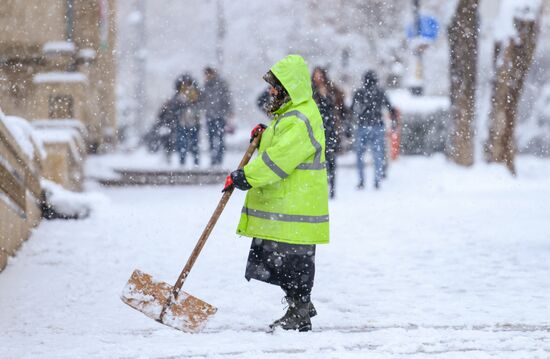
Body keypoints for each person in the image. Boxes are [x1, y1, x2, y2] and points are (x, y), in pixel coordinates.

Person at [223, 55, 329, 332]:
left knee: (293, 262)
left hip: (295, 208)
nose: (271, 91)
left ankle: (299, 309)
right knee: (278, 260)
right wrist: (266, 133)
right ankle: (299, 303)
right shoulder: (292, 115)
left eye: (275, 86)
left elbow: (279, 160)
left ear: (288, 88)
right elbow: (280, 145)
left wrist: (245, 176)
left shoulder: (300, 118)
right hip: (286, 207)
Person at [351, 70, 396, 190]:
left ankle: (361, 181)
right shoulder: (380, 92)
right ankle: (376, 180)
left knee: (360, 155)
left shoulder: (359, 93)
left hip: (363, 126)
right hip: (377, 126)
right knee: (377, 155)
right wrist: (393, 123)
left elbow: (352, 110)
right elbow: (390, 108)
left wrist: (349, 126)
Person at [312, 67, 338, 199]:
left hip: (329, 128)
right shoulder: (311, 91)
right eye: (316, 75)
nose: (318, 78)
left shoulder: (330, 89)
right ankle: (320, 186)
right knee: (318, 160)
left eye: (320, 75)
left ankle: (332, 186)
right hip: (316, 128)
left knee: (331, 159)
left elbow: (337, 104)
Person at [201, 67, 232, 166]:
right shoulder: (205, 86)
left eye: (208, 74)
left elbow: (227, 98)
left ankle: (219, 159)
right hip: (209, 116)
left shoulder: (220, 84)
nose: (206, 76)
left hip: (219, 116)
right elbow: (203, 100)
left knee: (220, 138)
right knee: (211, 138)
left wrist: (229, 111)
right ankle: (213, 159)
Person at [154, 76, 189, 163]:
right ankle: (177, 159)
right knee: (175, 142)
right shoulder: (179, 99)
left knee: (172, 142)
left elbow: (164, 112)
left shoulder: (174, 99)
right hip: (175, 123)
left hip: (172, 123)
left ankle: (174, 158)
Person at [175, 74, 201, 166]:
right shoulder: (179, 95)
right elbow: (176, 107)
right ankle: (183, 162)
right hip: (183, 122)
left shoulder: (195, 94)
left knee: (194, 144)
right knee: (183, 143)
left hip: (193, 122)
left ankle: (195, 163)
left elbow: (199, 106)